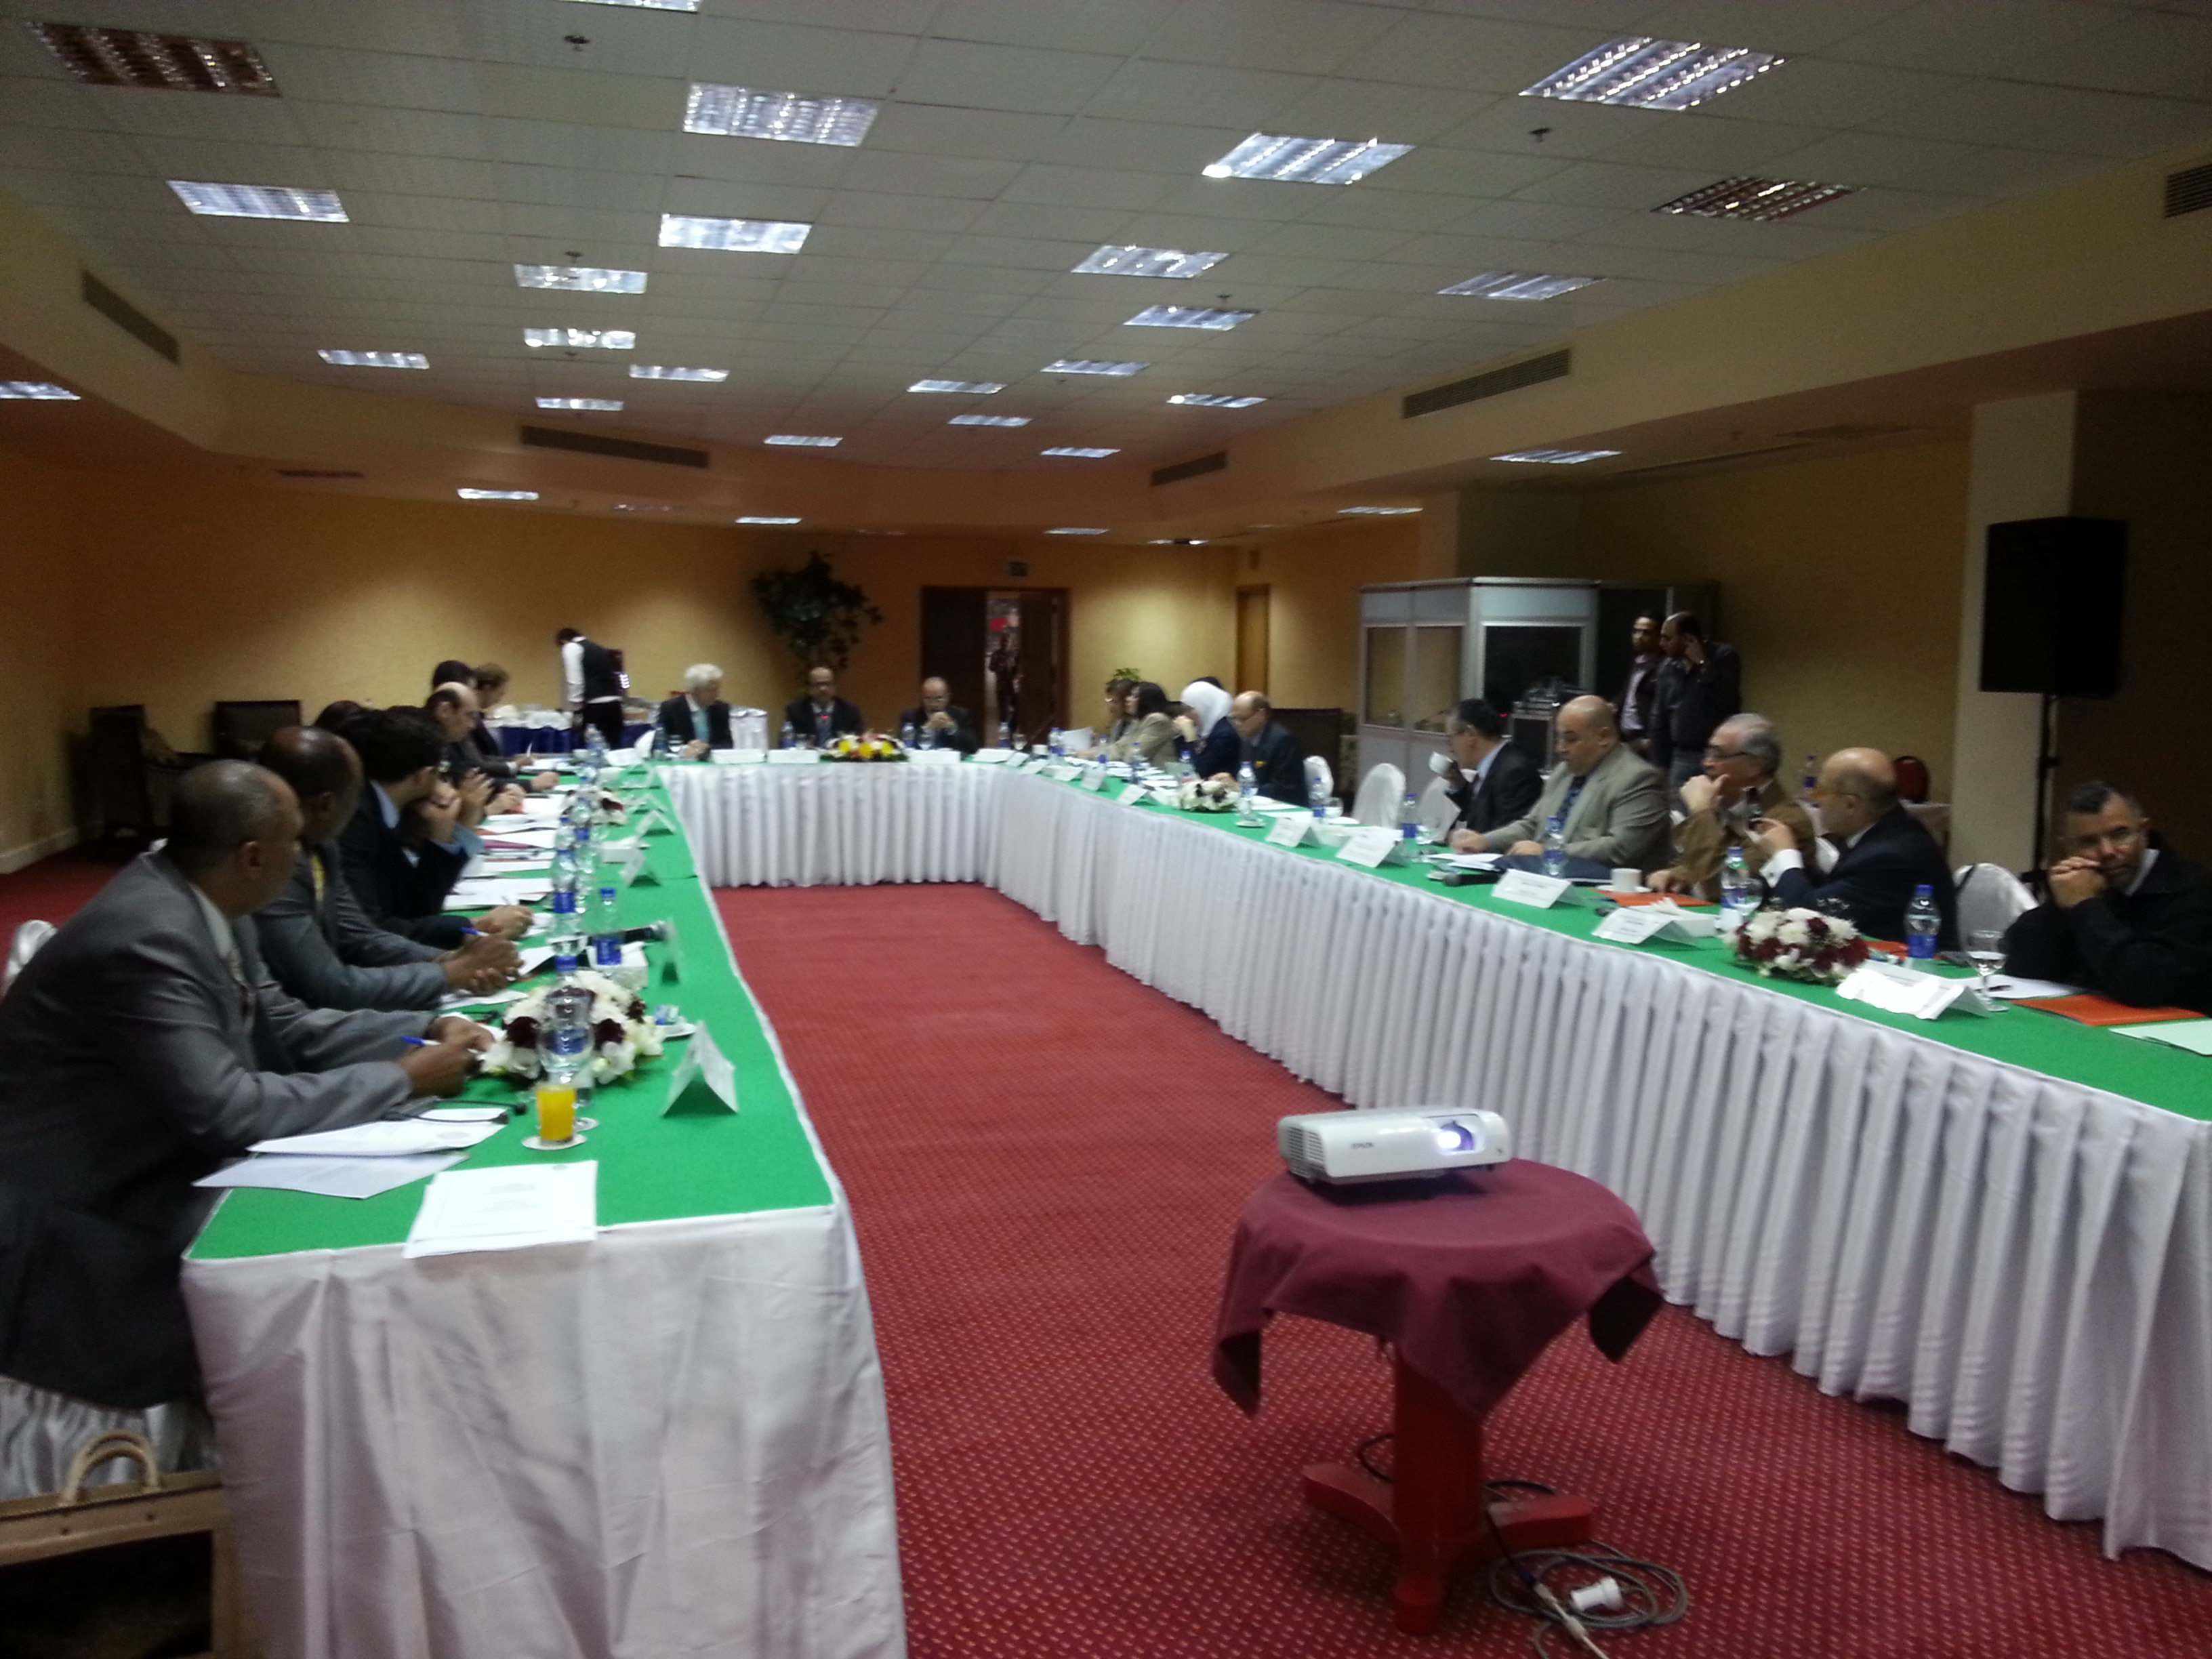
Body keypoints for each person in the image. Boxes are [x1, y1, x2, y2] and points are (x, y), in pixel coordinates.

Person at [0, 760, 489, 1409]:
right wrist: (400, 1077)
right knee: (331, 1258)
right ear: (253, 856)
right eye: (295, 841)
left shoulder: (209, 897)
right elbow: (224, 1111)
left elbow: (283, 1023)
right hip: (89, 1215)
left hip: (155, 1150)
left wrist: (421, 1027)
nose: (305, 854)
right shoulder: (147, 938)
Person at [255, 726, 519, 1011]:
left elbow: (359, 935)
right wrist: (450, 974)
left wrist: (449, 960)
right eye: (356, 794)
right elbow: (330, 988)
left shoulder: (321, 846)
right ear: (326, 805)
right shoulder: (271, 867)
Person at [2003, 782, 2212, 1013]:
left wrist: (2084, 907)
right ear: (2067, 848)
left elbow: (2147, 986)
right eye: (2088, 842)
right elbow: (2021, 965)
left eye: (2120, 835)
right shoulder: (2086, 883)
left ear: (2144, 832)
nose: (2107, 851)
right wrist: (2059, 908)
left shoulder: (2195, 889)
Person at [336, 708, 529, 949]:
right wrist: (476, 925)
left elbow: (418, 909)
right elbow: (373, 930)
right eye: (441, 772)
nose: (445, 783)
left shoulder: (386, 806)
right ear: (423, 776)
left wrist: (443, 833)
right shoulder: (356, 822)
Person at [1750, 747, 1957, 947]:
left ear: (1851, 804)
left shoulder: (1892, 856)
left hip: (1920, 967)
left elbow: (1807, 918)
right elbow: (1826, 891)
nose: (1814, 799)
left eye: (1821, 792)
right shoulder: (1883, 831)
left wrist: (1784, 854)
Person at [1482, 695, 1670, 871]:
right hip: (1549, 876)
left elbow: (1620, 848)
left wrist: (1550, 852)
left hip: (1605, 886)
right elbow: (1533, 825)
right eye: (1559, 738)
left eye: (1571, 739)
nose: (1560, 748)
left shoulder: (1639, 779)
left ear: (1603, 737)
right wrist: (1486, 841)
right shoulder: (1563, 772)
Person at [1647, 714, 1817, 899]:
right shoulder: (1724, 803)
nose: (1706, 763)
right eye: (1708, 752)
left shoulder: (1786, 822)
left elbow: (1725, 886)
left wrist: (1701, 813)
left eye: (1718, 755)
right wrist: (1679, 874)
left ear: (1754, 766)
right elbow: (1693, 861)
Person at [1649, 613, 1742, 791]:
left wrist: (1702, 664)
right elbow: (1659, 717)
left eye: (1667, 638)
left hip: (1716, 755)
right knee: (1676, 806)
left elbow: (1727, 699)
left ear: (1687, 639)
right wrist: (1659, 762)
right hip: (1680, 755)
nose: (1661, 644)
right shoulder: (1668, 667)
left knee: (1714, 804)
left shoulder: (1724, 656)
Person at [1437, 698, 1542, 848]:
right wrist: (1458, 783)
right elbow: (1478, 810)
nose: (1450, 748)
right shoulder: (1492, 763)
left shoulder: (1515, 771)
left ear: (1471, 734)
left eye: (1450, 739)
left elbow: (1508, 835)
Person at [1211, 691, 1305, 804]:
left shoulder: (1282, 740)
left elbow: (1285, 788)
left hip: (1284, 807)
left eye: (1242, 719)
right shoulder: (1245, 739)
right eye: (1233, 718)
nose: (1236, 724)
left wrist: (1240, 787)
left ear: (1261, 715)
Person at [428, 680, 519, 790]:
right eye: (469, 715)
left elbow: (465, 779)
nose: (472, 726)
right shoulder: (421, 743)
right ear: (445, 710)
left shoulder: (447, 741)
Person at [557, 627, 627, 748]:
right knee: (615, 745)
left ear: (563, 640)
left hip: (594, 704)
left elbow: (575, 680)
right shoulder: (599, 649)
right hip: (615, 703)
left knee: (590, 747)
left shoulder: (571, 647)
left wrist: (576, 707)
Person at [659, 663, 736, 756]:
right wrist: (685, 749)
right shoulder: (671, 708)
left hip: (712, 760)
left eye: (717, 689)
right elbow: (661, 743)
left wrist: (707, 748)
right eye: (711, 690)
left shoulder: (721, 709)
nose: (717, 694)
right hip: (682, 761)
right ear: (694, 690)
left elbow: (727, 744)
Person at [783, 665, 863, 747]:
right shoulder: (796, 710)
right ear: (809, 687)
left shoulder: (850, 710)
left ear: (835, 686)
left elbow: (859, 740)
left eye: (827, 684)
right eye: (817, 685)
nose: (823, 689)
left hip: (840, 754)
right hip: (808, 754)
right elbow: (787, 740)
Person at [1618, 615, 1663, 758]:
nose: (1639, 637)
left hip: (1646, 738)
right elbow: (1629, 693)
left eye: (1646, 633)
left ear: (1659, 636)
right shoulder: (1638, 661)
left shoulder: (1665, 667)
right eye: (1636, 631)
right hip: (1626, 734)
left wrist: (1651, 739)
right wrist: (1612, 706)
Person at [897, 676, 979, 754]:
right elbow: (904, 747)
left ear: (948, 697)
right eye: (928, 699)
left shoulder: (960, 715)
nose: (934, 704)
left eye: (939, 698)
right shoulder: (910, 717)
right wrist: (926, 728)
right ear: (921, 698)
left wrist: (952, 728)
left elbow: (973, 748)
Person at [1110, 681, 1180, 770]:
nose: (1128, 699)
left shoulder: (1157, 720)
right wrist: (1095, 754)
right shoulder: (1137, 721)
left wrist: (1121, 753)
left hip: (1161, 776)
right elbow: (1117, 749)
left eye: (1134, 696)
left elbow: (1134, 757)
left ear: (1146, 701)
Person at [1175, 679, 1236, 777]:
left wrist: (1190, 739)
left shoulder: (1225, 734)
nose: (1185, 715)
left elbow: (1198, 770)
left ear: (1205, 706)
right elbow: (1179, 762)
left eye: (1189, 709)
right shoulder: (1203, 729)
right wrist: (1180, 735)